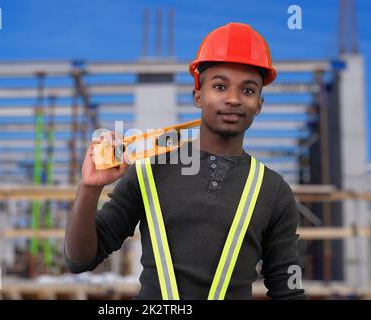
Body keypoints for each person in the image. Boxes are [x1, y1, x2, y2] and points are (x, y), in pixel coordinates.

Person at [64, 22, 305, 300]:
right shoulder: (150, 170)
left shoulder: (272, 190)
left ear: (259, 104)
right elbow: (80, 260)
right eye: (219, 86)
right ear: (198, 96)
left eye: (248, 91)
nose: (233, 99)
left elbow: (288, 287)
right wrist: (89, 189)